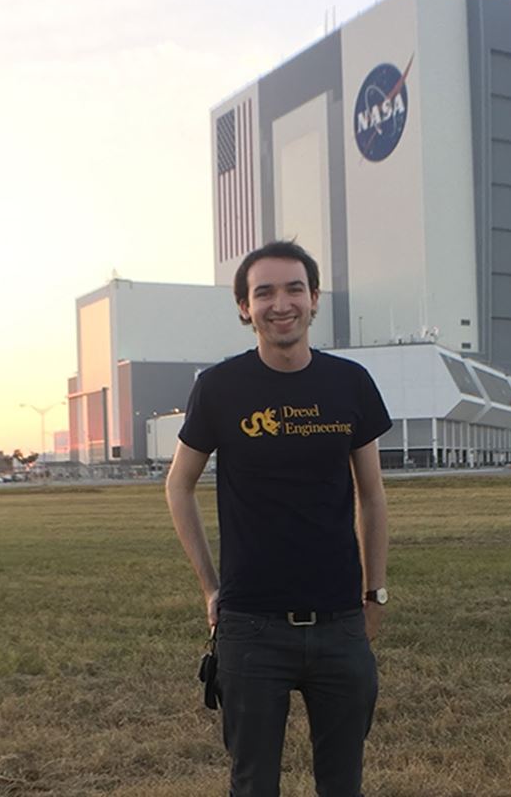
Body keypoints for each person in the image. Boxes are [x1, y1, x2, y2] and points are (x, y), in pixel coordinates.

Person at [166, 240, 391, 797]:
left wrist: (374, 594)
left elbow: (373, 496)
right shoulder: (219, 387)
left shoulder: (350, 383)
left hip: (341, 622)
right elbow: (178, 484)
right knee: (253, 784)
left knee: (343, 784)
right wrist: (210, 587)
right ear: (245, 308)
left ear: (314, 300)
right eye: (263, 292)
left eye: (294, 288)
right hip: (250, 628)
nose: (280, 303)